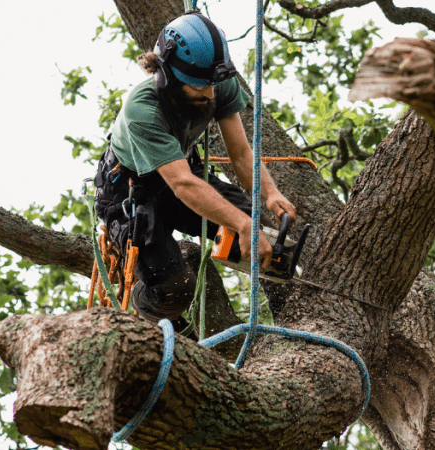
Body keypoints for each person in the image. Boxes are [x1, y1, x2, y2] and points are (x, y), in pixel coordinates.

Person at [93, 10, 296, 328]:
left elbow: (241, 154)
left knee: (269, 241)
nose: (211, 94)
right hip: (131, 194)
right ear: (167, 77)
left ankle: (294, 322)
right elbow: (183, 186)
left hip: (181, 174)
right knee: (174, 288)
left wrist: (269, 193)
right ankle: (147, 309)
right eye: (200, 87)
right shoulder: (142, 109)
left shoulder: (214, 80)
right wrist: (241, 224)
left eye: (213, 84)